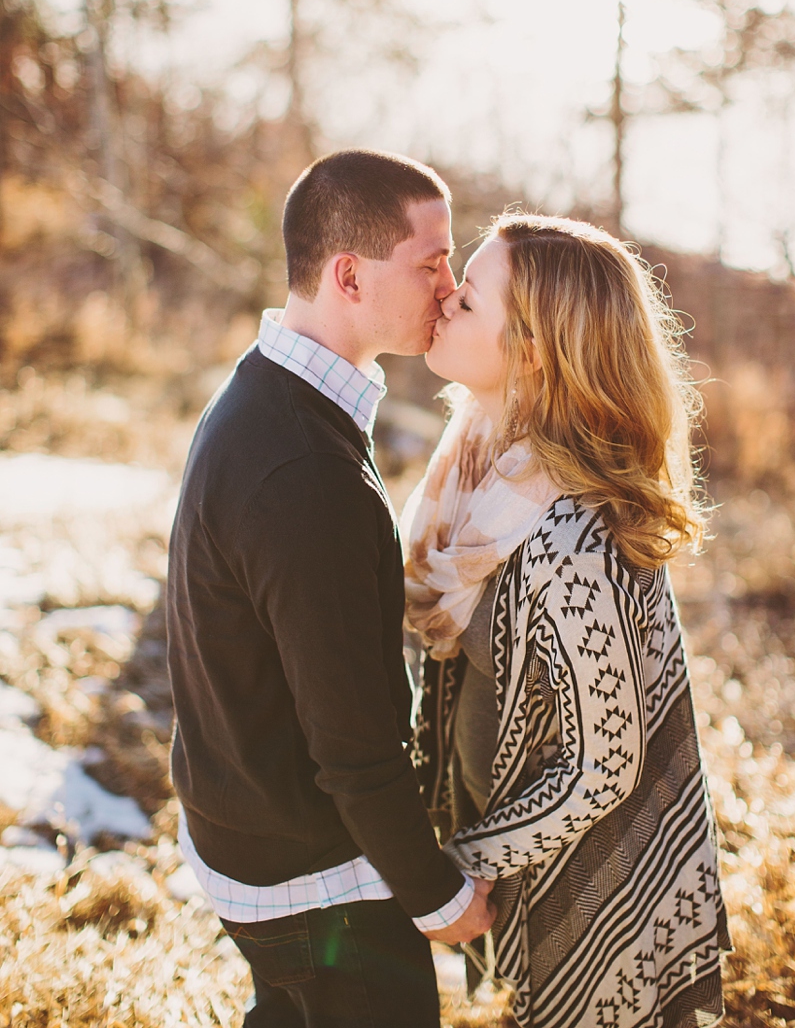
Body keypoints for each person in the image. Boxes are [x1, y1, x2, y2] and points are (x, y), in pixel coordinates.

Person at [166, 148, 494, 1028]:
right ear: (348, 274)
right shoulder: (303, 467)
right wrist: (437, 894)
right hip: (311, 878)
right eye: (430, 261)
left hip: (248, 822)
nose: (449, 284)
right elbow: (350, 741)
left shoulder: (267, 393)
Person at [405, 213, 731, 1028]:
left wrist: (459, 868)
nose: (444, 297)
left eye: (470, 298)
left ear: (534, 349)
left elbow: (602, 765)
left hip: (596, 890)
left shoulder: (565, 534)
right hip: (527, 862)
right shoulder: (482, 461)